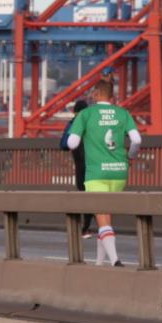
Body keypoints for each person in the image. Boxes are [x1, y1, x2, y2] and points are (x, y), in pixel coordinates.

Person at [65, 79, 142, 267]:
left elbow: (72, 143)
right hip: (119, 172)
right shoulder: (123, 113)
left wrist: (82, 136)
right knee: (105, 219)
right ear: (112, 96)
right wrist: (130, 156)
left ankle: (115, 259)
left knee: (102, 217)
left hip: (96, 173)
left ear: (94, 94)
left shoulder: (86, 114)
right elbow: (137, 139)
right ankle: (99, 264)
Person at [60, 99, 95, 238]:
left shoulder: (72, 124)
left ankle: (85, 228)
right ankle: (95, 227)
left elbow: (63, 145)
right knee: (95, 197)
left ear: (75, 112)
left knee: (85, 195)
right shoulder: (93, 123)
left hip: (81, 166)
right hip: (97, 166)